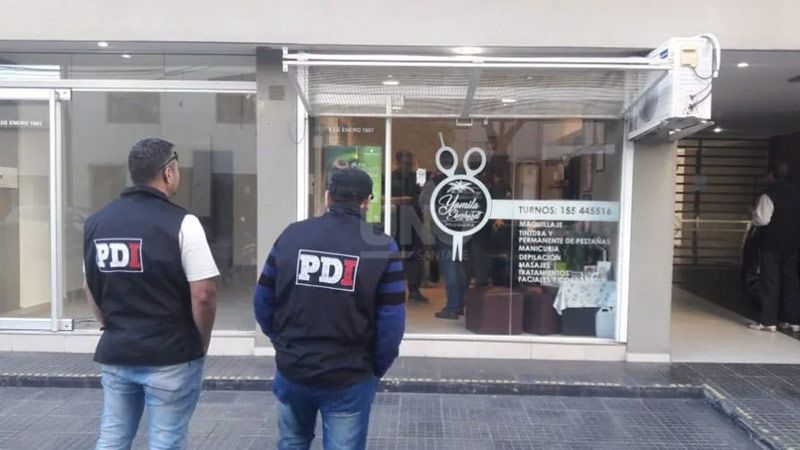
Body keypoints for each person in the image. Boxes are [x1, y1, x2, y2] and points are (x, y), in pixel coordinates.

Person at [254, 168, 406, 450]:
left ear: (327, 197)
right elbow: (391, 325)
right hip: (349, 377)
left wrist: (284, 344)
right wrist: (374, 368)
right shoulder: (383, 247)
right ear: (366, 202)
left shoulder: (291, 235)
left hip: (294, 369)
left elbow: (263, 301)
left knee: (292, 442)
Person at [83, 138, 219, 450]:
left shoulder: (97, 223)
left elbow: (90, 285)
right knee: (165, 441)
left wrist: (110, 326)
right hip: (171, 356)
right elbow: (204, 294)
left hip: (117, 350)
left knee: (113, 437)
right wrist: (201, 341)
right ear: (168, 173)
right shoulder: (183, 223)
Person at [749, 160, 800, 332]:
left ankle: (768, 321)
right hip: (793, 243)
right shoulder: (797, 193)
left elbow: (762, 219)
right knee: (790, 280)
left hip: (771, 244)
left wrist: (752, 215)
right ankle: (792, 320)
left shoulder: (769, 195)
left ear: (771, 175)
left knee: (770, 281)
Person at [391, 150, 429, 303]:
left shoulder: (416, 177)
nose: (407, 166)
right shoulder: (390, 178)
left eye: (410, 163)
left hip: (414, 219)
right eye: (405, 163)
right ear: (398, 162)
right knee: (394, 254)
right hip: (395, 219)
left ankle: (414, 290)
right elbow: (381, 198)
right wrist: (398, 200)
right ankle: (393, 289)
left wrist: (419, 169)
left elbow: (424, 193)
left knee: (415, 255)